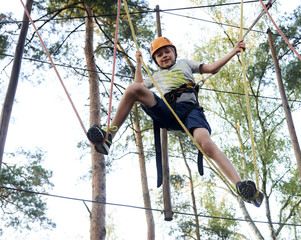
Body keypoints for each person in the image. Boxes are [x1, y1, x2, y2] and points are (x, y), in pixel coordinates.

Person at [87, 37, 264, 207]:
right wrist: (139, 63)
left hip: (190, 111)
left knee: (206, 144)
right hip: (167, 110)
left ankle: (240, 185)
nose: (164, 56)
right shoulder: (155, 75)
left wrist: (234, 51)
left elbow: (210, 68)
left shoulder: (184, 64)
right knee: (133, 89)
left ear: (174, 53)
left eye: (167, 52)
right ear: (155, 61)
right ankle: (109, 136)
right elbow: (138, 85)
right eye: (159, 55)